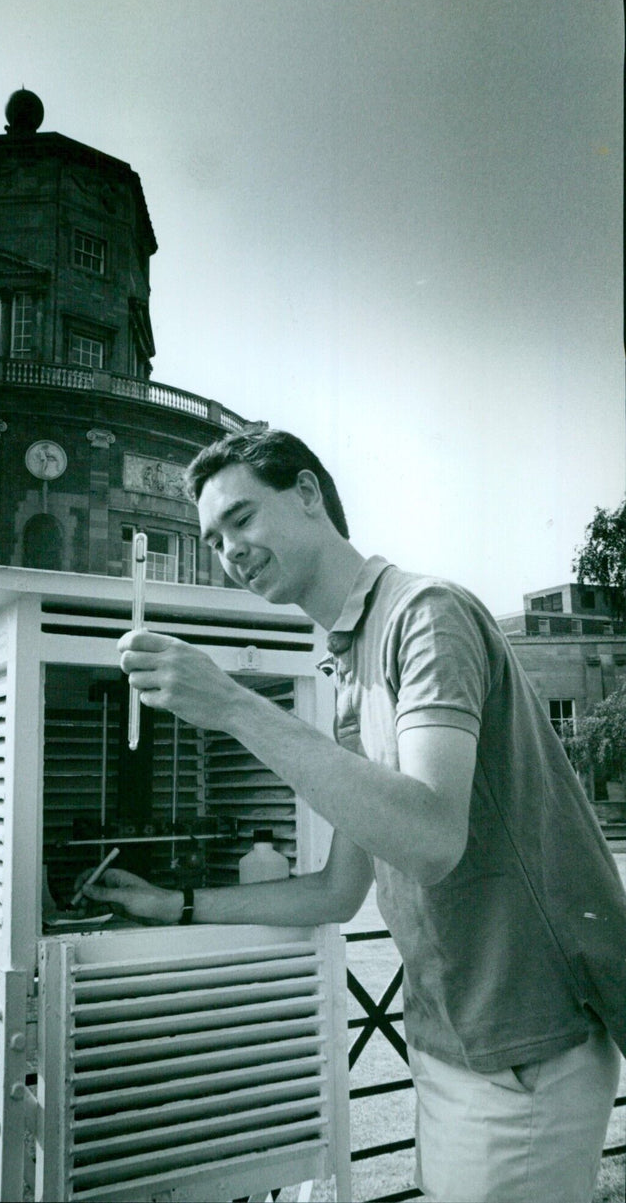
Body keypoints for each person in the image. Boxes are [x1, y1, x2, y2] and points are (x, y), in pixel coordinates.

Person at [78, 425, 626, 1203]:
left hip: (523, 1051)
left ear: (307, 494)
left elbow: (432, 835)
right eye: (212, 537)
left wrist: (232, 704)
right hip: (450, 1041)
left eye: (241, 518)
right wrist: (175, 903)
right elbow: (338, 891)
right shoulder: (348, 665)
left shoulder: (425, 616)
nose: (228, 550)